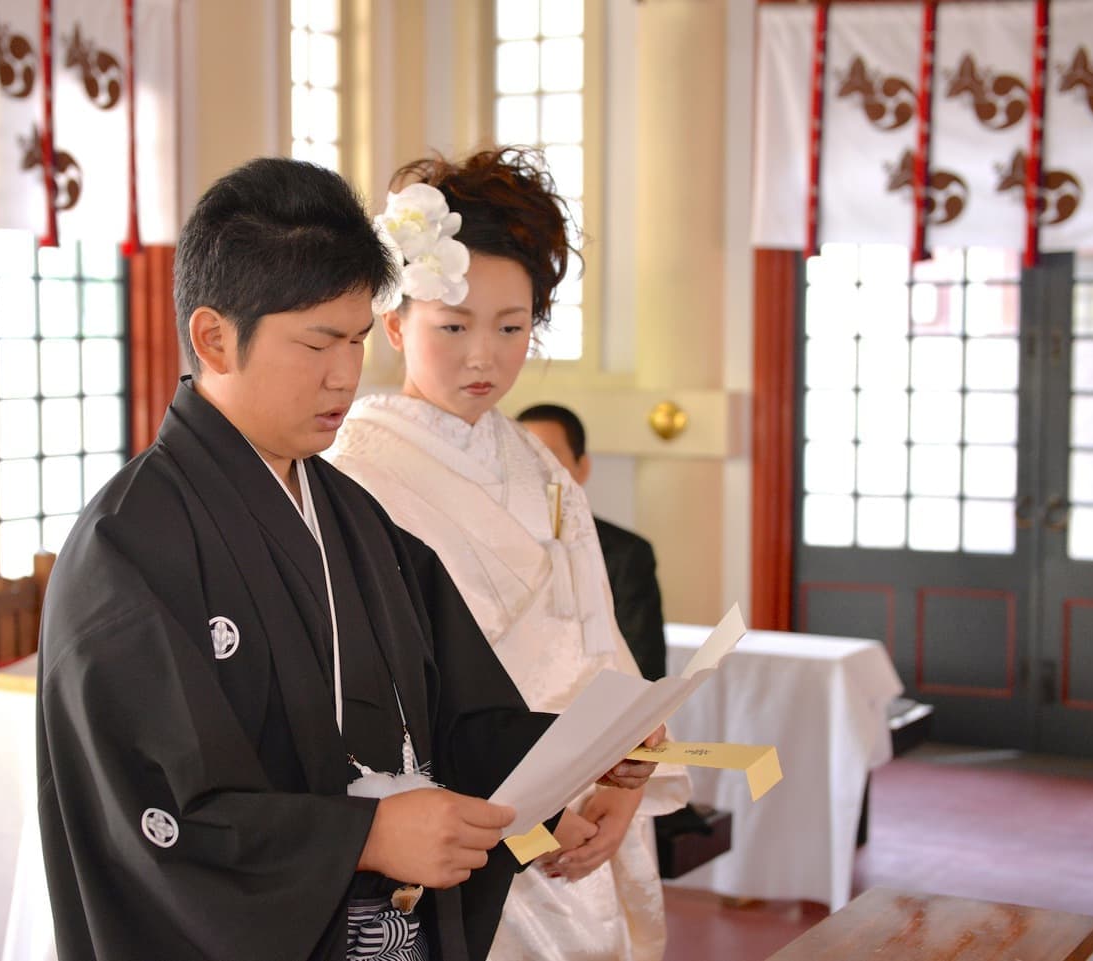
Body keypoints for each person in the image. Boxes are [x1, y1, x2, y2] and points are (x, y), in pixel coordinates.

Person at [35, 157, 665, 961]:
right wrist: (360, 836)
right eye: (318, 342)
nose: (346, 375)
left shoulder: (349, 512)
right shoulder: (130, 546)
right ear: (213, 336)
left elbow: (459, 717)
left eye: (359, 339)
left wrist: (581, 749)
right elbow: (150, 819)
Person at [326, 149, 690, 961]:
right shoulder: (354, 473)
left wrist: (624, 781)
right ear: (394, 323)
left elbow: (603, 644)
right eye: (451, 327)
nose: (482, 356)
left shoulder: (539, 465)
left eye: (512, 327)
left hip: (588, 810)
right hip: (470, 819)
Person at [516, 403, 668, 681]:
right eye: (522, 458)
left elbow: (645, 661)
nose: (535, 471)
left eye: (549, 457)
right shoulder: (499, 544)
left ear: (581, 467)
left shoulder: (627, 554)